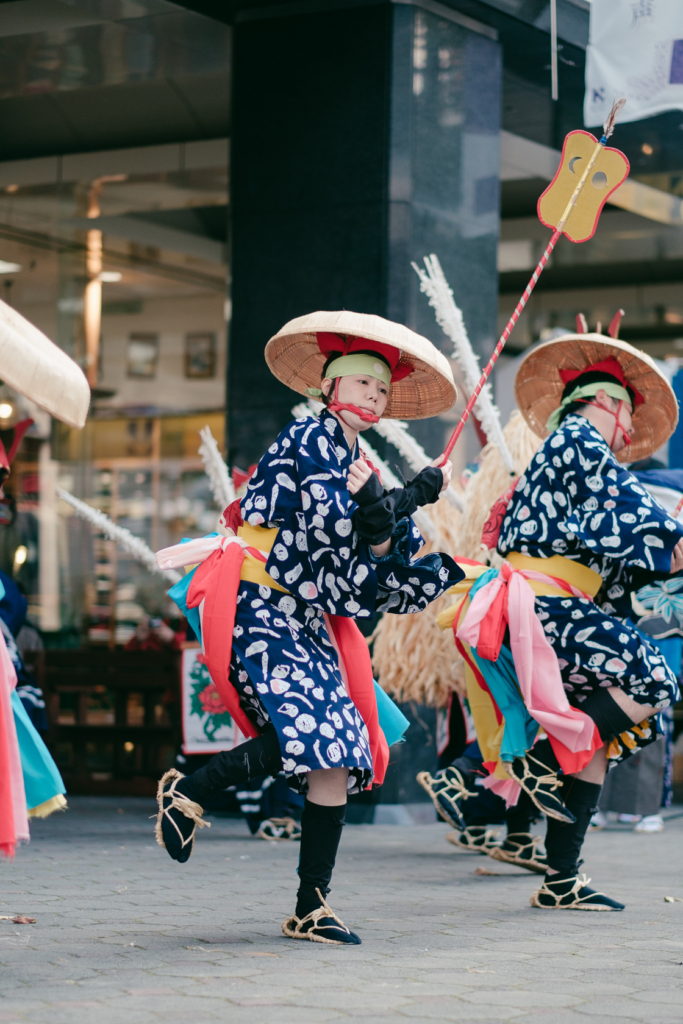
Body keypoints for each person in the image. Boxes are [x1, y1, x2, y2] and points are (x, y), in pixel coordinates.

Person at [153, 311, 464, 944]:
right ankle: (188, 792)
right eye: (362, 384)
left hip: (306, 612)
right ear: (330, 387)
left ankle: (310, 906)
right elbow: (330, 530)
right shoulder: (310, 438)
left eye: (382, 389)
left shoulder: (358, 458)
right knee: (309, 731)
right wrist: (403, 499)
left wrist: (403, 518)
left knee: (337, 749)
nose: (374, 397)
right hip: (261, 603)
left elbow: (381, 555)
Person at [437, 320, 683, 911]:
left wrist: (664, 551)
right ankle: (538, 767)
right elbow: (626, 518)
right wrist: (671, 538)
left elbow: (607, 543)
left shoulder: (563, 450)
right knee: (653, 679)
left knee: (597, 739)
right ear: (606, 402)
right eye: (628, 416)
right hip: (547, 607)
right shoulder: (579, 441)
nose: (629, 433)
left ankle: (561, 878)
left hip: (544, 608)